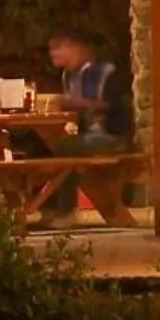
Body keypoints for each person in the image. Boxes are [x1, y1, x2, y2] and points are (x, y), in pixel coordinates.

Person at [40, 25, 132, 224]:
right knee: (44, 147)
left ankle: (66, 211)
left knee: (64, 149)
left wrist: (69, 103)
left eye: (58, 47)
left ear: (77, 48)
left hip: (112, 136)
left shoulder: (103, 72)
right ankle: (45, 207)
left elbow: (111, 105)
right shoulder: (69, 75)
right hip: (88, 135)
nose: (53, 53)